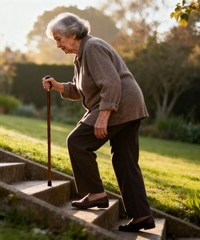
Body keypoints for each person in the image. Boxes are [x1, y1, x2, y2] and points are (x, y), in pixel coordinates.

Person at [42, 12, 155, 232]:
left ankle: (96, 194)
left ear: (73, 34)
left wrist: (103, 116)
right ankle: (141, 216)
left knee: (77, 142)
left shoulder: (92, 48)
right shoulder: (81, 55)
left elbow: (111, 84)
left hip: (120, 105)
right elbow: (78, 89)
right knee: (124, 160)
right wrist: (57, 86)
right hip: (129, 106)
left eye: (59, 39)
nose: (57, 45)